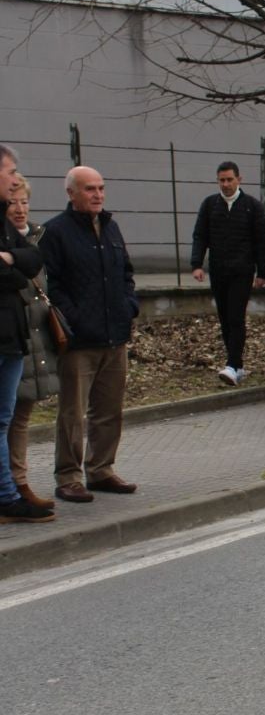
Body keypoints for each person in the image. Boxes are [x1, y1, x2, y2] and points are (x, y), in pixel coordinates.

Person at [40, 166, 140, 504]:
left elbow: (126, 272)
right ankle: (68, 476)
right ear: (71, 193)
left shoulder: (111, 227)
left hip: (115, 334)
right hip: (80, 339)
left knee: (109, 409)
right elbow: (51, 285)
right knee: (73, 412)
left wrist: (129, 305)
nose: (97, 194)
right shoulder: (56, 232)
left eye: (101, 188)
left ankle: (101, 469)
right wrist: (75, 318)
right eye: (89, 189)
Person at [0, 146, 52, 524]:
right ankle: (7, 495)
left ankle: (7, 494)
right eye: (10, 172)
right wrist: (15, 266)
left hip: (13, 338)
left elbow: (31, 261)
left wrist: (9, 260)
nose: (15, 178)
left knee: (5, 419)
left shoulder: (6, 225)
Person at [7, 174, 62, 513]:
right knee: (8, 417)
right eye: (13, 202)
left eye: (24, 201)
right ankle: (14, 482)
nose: (20, 208)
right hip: (14, 337)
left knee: (21, 416)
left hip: (37, 339)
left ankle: (17, 480)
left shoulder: (38, 238)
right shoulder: (9, 243)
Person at [190, 161, 265, 387]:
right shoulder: (209, 205)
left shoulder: (252, 207)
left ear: (239, 179)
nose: (225, 184)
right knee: (225, 318)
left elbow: (261, 241)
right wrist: (197, 264)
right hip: (218, 270)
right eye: (222, 180)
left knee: (236, 317)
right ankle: (237, 364)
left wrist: (262, 272)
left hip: (242, 271)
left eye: (229, 179)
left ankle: (232, 365)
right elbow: (200, 235)